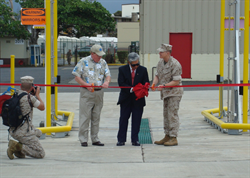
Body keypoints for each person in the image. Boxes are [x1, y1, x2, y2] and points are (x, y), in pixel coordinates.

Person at [72, 44, 111, 147]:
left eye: (101, 55)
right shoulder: (83, 61)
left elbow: (108, 75)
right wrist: (86, 85)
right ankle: (83, 139)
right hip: (87, 92)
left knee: (96, 116)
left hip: (99, 92)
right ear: (92, 53)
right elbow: (76, 76)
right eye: (98, 55)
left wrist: (107, 82)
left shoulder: (103, 62)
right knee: (85, 116)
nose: (100, 57)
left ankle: (95, 138)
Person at [152, 44, 183, 146]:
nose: (159, 53)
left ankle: (174, 137)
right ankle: (167, 135)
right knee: (166, 114)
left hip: (174, 93)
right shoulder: (161, 62)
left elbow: (176, 81)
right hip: (166, 93)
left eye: (161, 52)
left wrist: (164, 85)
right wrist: (154, 83)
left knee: (172, 114)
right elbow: (157, 75)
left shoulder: (175, 64)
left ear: (168, 53)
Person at [7, 76, 45, 159]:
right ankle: (17, 146)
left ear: (20, 86)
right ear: (32, 88)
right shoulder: (30, 98)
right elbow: (42, 107)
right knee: (40, 153)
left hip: (13, 130)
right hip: (24, 133)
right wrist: (37, 95)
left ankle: (19, 151)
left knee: (39, 133)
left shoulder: (15, 95)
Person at [116, 52, 149, 146]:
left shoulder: (143, 70)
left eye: (137, 64)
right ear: (129, 63)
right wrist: (131, 89)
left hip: (138, 99)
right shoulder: (122, 69)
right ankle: (121, 139)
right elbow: (121, 83)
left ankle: (135, 139)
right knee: (123, 119)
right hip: (126, 98)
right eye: (134, 65)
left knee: (137, 120)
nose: (136, 66)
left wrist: (140, 89)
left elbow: (146, 82)